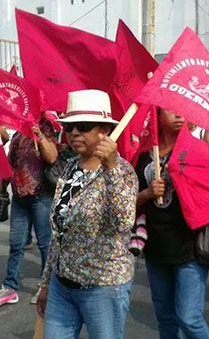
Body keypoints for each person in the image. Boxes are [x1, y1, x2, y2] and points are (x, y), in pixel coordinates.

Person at [36, 90, 138, 339]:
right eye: (69, 127)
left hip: (103, 288)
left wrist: (111, 167)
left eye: (82, 127)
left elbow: (124, 222)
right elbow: (59, 232)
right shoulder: (70, 167)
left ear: (104, 130)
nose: (73, 134)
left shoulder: (122, 171)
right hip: (63, 285)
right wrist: (46, 283)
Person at [137, 108, 209, 339]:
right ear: (157, 115)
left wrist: (184, 182)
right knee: (165, 317)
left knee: (189, 317)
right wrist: (149, 193)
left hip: (190, 245)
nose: (180, 114)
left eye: (183, 110)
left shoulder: (198, 151)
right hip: (156, 248)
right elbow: (130, 200)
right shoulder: (144, 155)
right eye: (171, 110)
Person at [0, 117, 58, 307]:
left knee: (45, 244)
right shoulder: (18, 134)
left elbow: (52, 157)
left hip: (41, 196)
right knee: (16, 244)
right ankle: (10, 287)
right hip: (20, 197)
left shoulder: (47, 128)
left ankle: (46, 287)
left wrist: (39, 134)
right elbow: (9, 164)